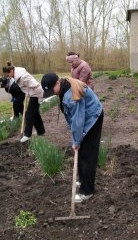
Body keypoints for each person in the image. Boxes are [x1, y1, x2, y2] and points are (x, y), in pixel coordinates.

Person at [41, 73, 103, 203]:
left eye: (52, 90)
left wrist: (76, 141)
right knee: (80, 152)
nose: (52, 93)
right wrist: (76, 140)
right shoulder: (64, 86)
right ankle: (82, 180)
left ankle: (87, 191)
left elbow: (78, 121)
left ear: (58, 83)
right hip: (85, 116)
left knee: (87, 155)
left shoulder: (71, 96)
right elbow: (73, 119)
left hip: (93, 118)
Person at [2, 62, 45, 143]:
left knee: (29, 114)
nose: (9, 77)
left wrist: (37, 96)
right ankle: (41, 131)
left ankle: (27, 135)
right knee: (35, 113)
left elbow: (36, 85)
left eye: (8, 75)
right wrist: (27, 92)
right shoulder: (17, 75)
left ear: (11, 71)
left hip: (37, 94)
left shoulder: (23, 77)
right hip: (33, 94)